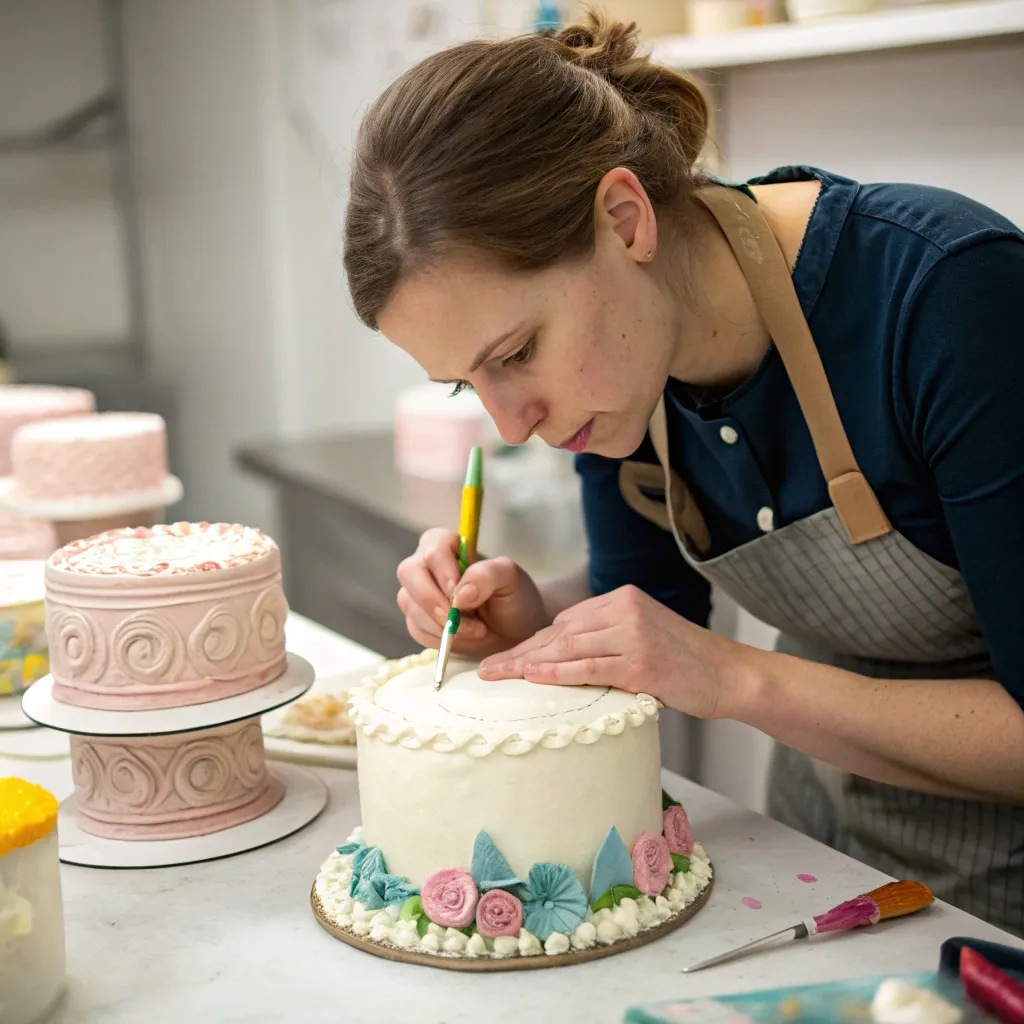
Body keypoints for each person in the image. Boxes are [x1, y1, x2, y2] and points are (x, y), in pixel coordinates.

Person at [342, 13, 1024, 936]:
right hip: (826, 857)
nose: (514, 424)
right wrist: (537, 627)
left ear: (626, 220)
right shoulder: (626, 387)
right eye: (471, 381)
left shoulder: (946, 297)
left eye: (519, 351)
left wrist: (740, 680)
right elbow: (654, 612)